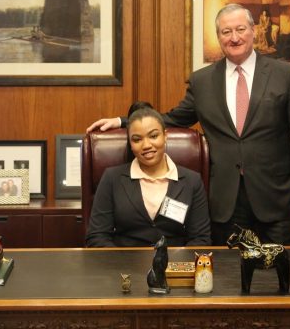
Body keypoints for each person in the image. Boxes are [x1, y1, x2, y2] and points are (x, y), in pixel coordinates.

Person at [87, 3, 290, 246]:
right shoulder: (203, 81)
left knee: (283, 276)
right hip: (226, 203)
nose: (234, 37)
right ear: (218, 37)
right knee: (228, 278)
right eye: (226, 32)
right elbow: (172, 119)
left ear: (253, 30)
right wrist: (124, 122)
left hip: (277, 200)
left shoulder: (285, 75)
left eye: (240, 29)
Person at [85, 104, 212, 247]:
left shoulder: (192, 181)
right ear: (130, 144)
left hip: (175, 265)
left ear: (165, 136)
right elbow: (97, 237)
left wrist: (176, 267)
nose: (146, 145)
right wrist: (122, 265)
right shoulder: (112, 178)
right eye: (137, 139)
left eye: (153, 136)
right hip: (124, 265)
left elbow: (201, 239)